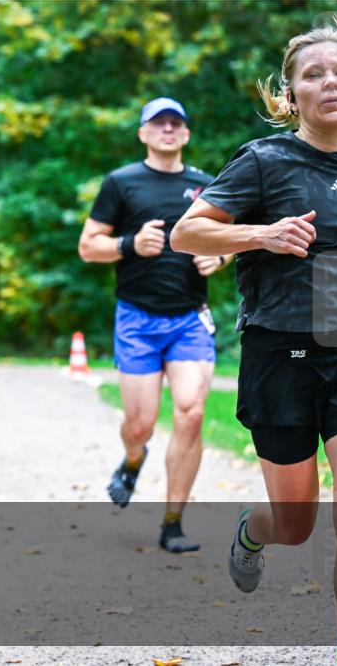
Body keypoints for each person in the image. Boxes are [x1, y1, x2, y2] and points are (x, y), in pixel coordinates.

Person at [170, 19, 337, 666]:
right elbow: (186, 233)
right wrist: (261, 235)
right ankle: (252, 530)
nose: (329, 82)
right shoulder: (264, 161)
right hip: (280, 354)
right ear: (291, 95)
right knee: (296, 523)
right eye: (313, 74)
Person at [77, 97, 233, 553]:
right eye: (158, 123)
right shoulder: (121, 183)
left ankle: (172, 523)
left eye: (175, 123)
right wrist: (129, 243)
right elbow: (88, 247)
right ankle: (132, 458)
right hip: (137, 319)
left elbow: (229, 239)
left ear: (185, 134)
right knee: (140, 424)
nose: (167, 129)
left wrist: (219, 257)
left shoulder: (205, 186)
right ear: (143, 133)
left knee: (191, 412)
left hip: (189, 318)